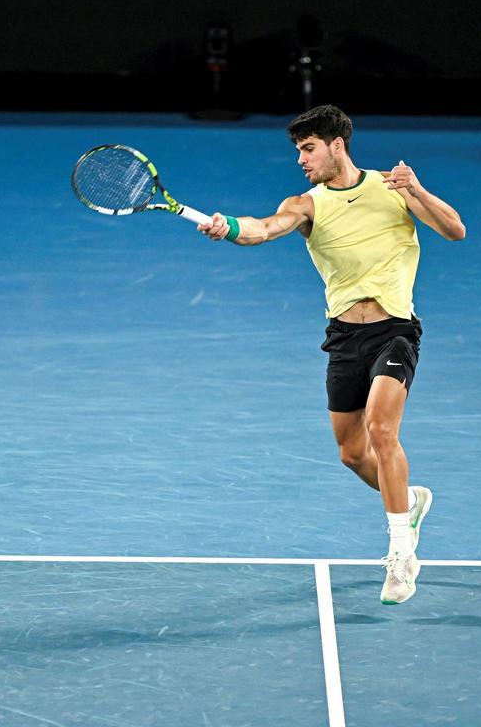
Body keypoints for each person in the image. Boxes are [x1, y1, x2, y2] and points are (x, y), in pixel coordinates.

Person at [198, 105, 465, 604]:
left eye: (308, 148)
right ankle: (409, 501)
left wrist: (416, 190)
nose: (301, 159)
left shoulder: (391, 188)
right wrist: (229, 226)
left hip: (395, 330)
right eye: (298, 150)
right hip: (344, 338)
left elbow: (454, 230)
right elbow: (264, 228)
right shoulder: (307, 204)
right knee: (351, 452)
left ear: (336, 144)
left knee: (382, 430)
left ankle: (401, 556)